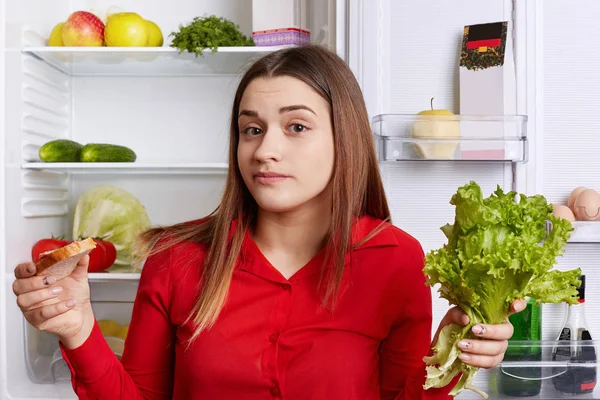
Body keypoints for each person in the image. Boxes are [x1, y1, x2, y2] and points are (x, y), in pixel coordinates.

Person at [12, 44, 524, 399]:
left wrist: (456, 359)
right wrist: (78, 331)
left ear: (343, 140)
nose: (265, 150)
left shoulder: (395, 258)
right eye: (251, 129)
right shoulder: (176, 260)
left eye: (296, 126)